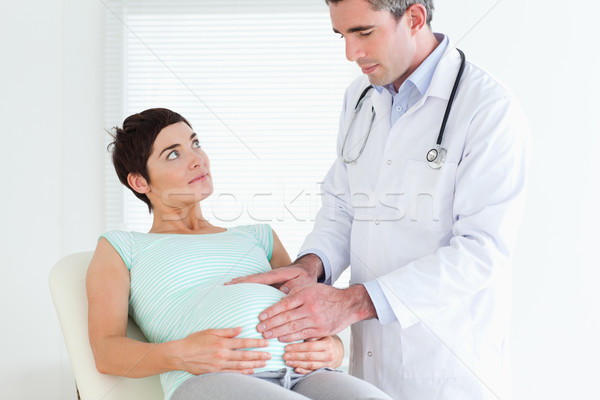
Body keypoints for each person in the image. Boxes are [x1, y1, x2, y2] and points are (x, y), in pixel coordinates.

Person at [229, 0, 530, 399]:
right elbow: (342, 206)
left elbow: (482, 251)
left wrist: (352, 304)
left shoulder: (487, 108)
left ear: (414, 17)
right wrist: (310, 267)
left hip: (449, 368)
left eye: (364, 33)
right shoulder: (360, 98)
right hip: (366, 371)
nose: (351, 53)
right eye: (342, 35)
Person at [86, 108, 392, 400]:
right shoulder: (121, 247)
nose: (197, 160)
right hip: (209, 380)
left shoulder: (258, 236)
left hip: (306, 374)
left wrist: (334, 348)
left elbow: (308, 309)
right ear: (140, 181)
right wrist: (181, 353)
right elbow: (106, 351)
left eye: (196, 144)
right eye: (174, 154)